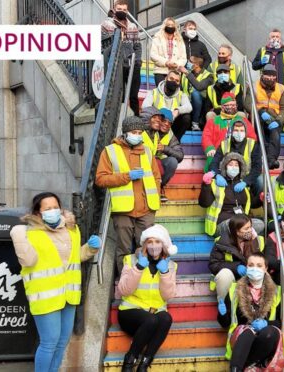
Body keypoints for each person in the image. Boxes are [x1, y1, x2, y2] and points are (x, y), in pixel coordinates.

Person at [10, 192, 101, 372]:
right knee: (49, 343)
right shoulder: (31, 233)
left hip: (69, 295)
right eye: (48, 208)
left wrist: (90, 248)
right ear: (38, 213)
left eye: (55, 207)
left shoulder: (71, 230)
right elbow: (28, 262)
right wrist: (18, 235)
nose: (53, 211)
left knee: (61, 343)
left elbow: (74, 258)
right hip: (45, 295)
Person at [95, 116, 161, 273]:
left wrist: (155, 197)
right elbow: (100, 179)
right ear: (125, 133)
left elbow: (156, 176)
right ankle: (124, 282)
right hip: (123, 210)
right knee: (124, 250)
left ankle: (146, 282)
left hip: (146, 209)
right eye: (133, 132)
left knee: (149, 248)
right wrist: (127, 176)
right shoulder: (110, 151)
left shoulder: (147, 150)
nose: (137, 135)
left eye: (140, 132)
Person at [117, 224, 178, 372]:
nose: (153, 246)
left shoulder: (170, 265)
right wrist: (138, 268)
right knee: (151, 320)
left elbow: (168, 296)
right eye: (150, 242)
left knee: (166, 318)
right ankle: (129, 360)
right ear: (144, 244)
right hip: (130, 311)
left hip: (154, 313)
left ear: (163, 245)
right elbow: (124, 290)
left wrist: (164, 274)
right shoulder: (131, 260)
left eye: (157, 242)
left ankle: (144, 363)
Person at [217, 252, 284, 371]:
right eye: (251, 265)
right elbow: (226, 323)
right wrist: (222, 314)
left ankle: (243, 366)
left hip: (265, 339)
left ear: (266, 269)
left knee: (270, 333)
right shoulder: (234, 289)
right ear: (246, 267)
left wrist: (266, 324)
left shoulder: (277, 292)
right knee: (248, 332)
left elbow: (283, 323)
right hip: (241, 339)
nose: (255, 268)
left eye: (259, 266)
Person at [199, 152, 264, 237]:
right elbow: (204, 203)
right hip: (223, 223)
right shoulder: (216, 183)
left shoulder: (243, 185)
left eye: (236, 165)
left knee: (260, 224)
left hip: (242, 221)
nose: (234, 167)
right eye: (230, 164)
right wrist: (206, 185)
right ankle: (244, 239)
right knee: (235, 225)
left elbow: (251, 204)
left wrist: (260, 198)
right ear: (224, 166)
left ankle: (242, 241)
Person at [209, 214, 265, 310]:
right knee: (224, 274)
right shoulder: (221, 242)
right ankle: (222, 303)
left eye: (250, 227)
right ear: (236, 231)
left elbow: (265, 261)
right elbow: (214, 264)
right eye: (246, 228)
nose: (250, 230)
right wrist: (236, 267)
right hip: (233, 276)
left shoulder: (258, 240)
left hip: (251, 276)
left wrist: (255, 242)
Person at [244, 64, 284, 169]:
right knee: (260, 129)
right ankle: (264, 154)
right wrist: (260, 112)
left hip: (274, 117)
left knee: (275, 132)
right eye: (267, 75)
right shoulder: (253, 85)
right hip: (258, 116)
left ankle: (272, 159)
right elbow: (247, 104)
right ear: (262, 75)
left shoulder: (281, 88)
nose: (270, 78)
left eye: (272, 76)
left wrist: (278, 120)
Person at [101, 0, 142, 115]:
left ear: (127, 11)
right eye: (119, 9)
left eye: (124, 10)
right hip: (116, 64)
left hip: (132, 64)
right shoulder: (106, 24)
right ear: (114, 9)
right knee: (120, 95)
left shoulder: (133, 26)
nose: (122, 12)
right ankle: (119, 121)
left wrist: (138, 61)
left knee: (134, 95)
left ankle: (136, 120)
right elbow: (103, 44)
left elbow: (137, 45)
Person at [201, 94, 256, 171]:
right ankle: (211, 178)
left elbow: (252, 137)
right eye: (228, 105)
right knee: (212, 159)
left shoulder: (243, 120)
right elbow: (206, 137)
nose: (231, 107)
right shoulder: (213, 121)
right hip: (219, 152)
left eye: (233, 105)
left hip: (239, 151)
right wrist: (210, 148)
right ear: (222, 107)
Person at [207, 119, 262, 194]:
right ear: (232, 132)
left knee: (261, 181)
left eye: (242, 130)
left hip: (246, 177)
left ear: (245, 132)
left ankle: (253, 201)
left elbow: (257, 167)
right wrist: (217, 175)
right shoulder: (224, 144)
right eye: (236, 130)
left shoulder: (253, 144)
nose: (239, 133)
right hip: (227, 177)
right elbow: (214, 163)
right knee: (210, 178)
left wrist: (246, 181)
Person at [140, 107, 184, 200]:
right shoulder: (148, 130)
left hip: (158, 164)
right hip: (144, 163)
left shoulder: (170, 135)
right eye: (164, 121)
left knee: (172, 162)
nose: (167, 124)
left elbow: (180, 155)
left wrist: (165, 148)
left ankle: (159, 186)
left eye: (170, 123)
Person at [141, 71, 193, 140]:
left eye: (177, 81)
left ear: (179, 83)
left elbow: (189, 107)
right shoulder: (153, 92)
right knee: (146, 115)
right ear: (165, 79)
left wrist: (177, 110)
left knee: (186, 117)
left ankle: (176, 140)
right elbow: (145, 106)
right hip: (158, 121)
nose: (173, 82)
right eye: (171, 79)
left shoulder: (182, 94)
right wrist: (161, 114)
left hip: (172, 123)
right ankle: (152, 138)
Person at [179, 56, 213, 131]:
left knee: (196, 94)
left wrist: (187, 73)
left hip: (201, 104)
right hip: (187, 101)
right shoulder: (186, 73)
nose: (188, 63)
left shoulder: (209, 76)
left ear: (196, 65)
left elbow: (199, 87)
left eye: (190, 61)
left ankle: (195, 123)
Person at [150, 17, 187, 85]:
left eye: (172, 25)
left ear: (175, 27)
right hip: (160, 71)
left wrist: (176, 64)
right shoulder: (157, 38)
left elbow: (183, 57)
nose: (170, 27)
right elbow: (153, 55)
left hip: (175, 73)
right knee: (161, 92)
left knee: (174, 93)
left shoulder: (179, 40)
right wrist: (166, 62)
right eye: (168, 25)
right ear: (164, 26)